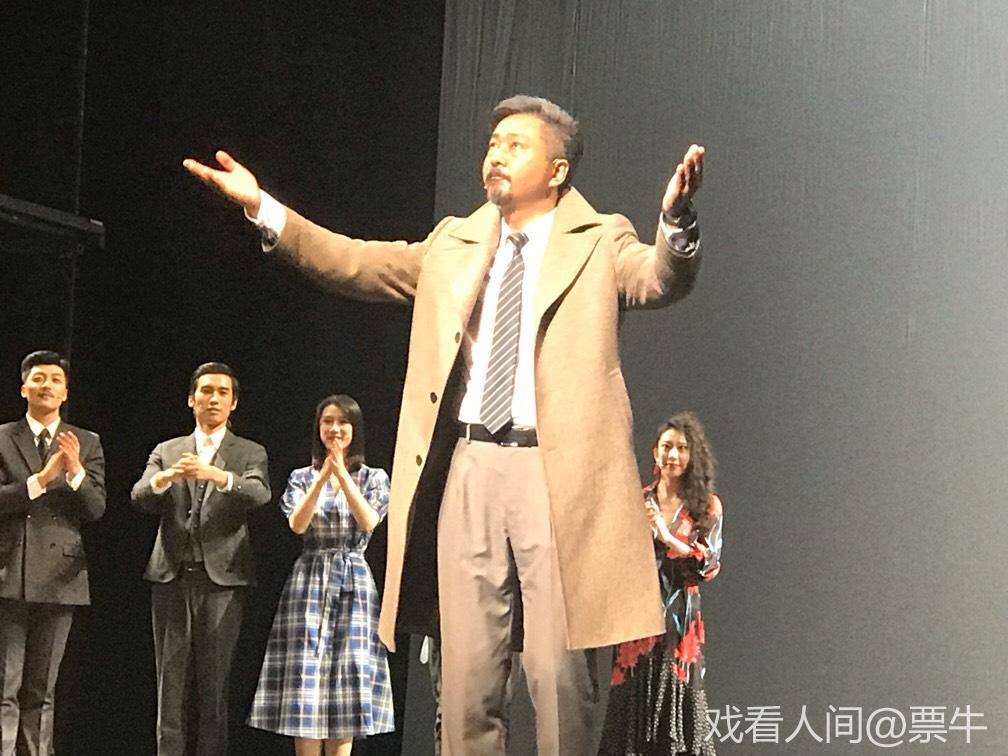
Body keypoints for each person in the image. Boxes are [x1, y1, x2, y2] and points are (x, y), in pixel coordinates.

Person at [184, 94, 705, 755]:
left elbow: (658, 277)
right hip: (469, 466)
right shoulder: (454, 243)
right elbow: (352, 261)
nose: (496, 154)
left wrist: (676, 223)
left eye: (516, 144)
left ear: (557, 170)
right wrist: (263, 206)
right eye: (493, 143)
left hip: (554, 472)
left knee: (557, 676)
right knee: (466, 680)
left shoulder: (600, 240)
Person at [130, 362, 270, 756]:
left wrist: (216, 475)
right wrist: (165, 478)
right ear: (191, 400)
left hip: (222, 581)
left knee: (214, 688)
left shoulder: (249, 451)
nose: (214, 399)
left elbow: (259, 493)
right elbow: (139, 494)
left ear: (233, 403)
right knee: (169, 687)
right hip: (172, 577)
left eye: (223, 392)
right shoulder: (168, 450)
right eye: (206, 391)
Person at [247, 395, 393, 755]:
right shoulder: (301, 477)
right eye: (328, 421)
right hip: (309, 580)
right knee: (306, 678)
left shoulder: (374, 477)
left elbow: (368, 521)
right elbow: (297, 524)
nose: (335, 429)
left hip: (354, 579)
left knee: (348, 676)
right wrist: (323, 476)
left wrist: (342, 475)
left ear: (354, 429)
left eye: (343, 422)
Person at [0, 350, 106, 756]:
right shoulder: (3, 437)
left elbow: (96, 509)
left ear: (65, 392)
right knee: (6, 686)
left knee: (42, 691)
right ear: (23, 387)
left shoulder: (87, 442)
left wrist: (76, 472)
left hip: (61, 578)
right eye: (38, 378)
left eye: (55, 380)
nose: (47, 385)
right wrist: (40, 480)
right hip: (9, 571)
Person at [599, 412, 723, 755]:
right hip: (636, 621)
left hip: (678, 625)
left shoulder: (705, 506)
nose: (673, 455)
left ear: (692, 455)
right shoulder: (639, 500)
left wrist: (666, 536)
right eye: (667, 447)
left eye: (681, 448)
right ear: (655, 453)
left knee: (677, 714)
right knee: (629, 710)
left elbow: (707, 564)